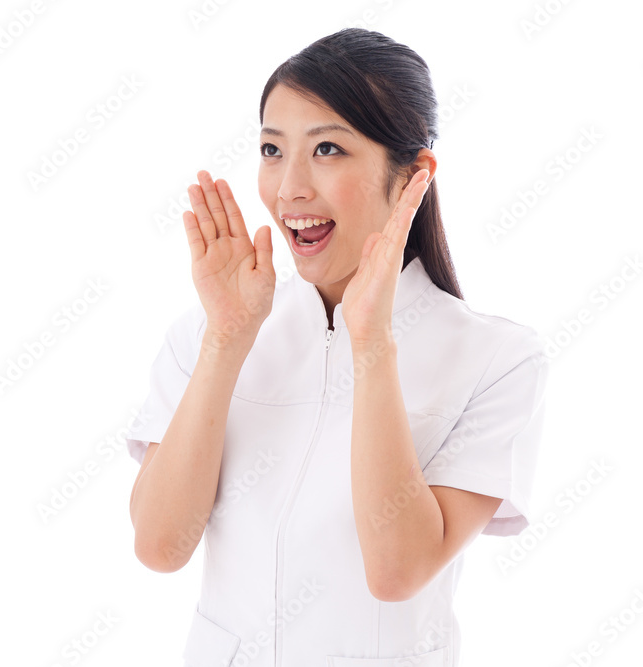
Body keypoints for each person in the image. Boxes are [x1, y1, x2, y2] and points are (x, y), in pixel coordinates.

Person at [125, 28, 550, 667]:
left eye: (327, 148)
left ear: (412, 174)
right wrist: (227, 341)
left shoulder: (497, 360)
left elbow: (397, 571)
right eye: (272, 149)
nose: (290, 187)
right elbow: (161, 546)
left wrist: (371, 343)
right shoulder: (214, 329)